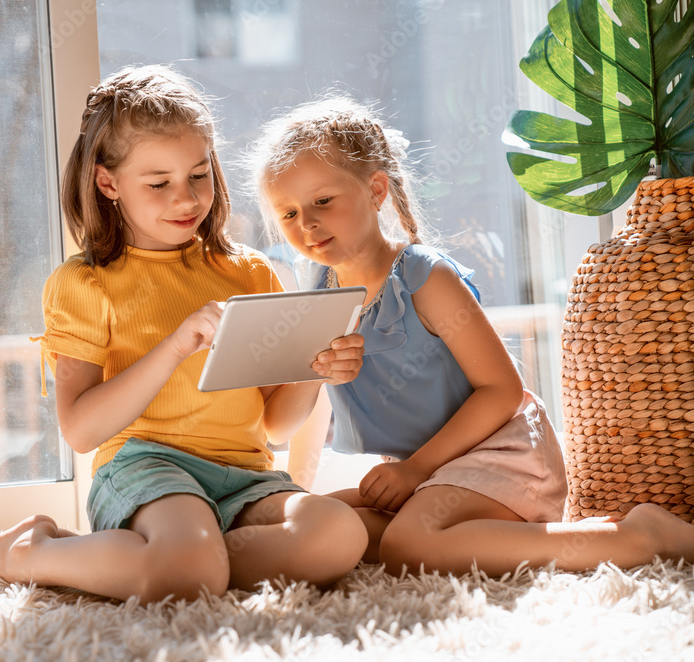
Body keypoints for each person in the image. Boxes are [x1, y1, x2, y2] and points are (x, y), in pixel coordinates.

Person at [0, 66, 368, 603]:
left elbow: (277, 424)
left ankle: (189, 560)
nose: (186, 199)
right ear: (108, 183)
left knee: (339, 534)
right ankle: (32, 550)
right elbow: (80, 431)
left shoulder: (251, 272)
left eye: (199, 175)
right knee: (188, 573)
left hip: (244, 475)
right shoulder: (85, 283)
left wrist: (314, 371)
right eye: (159, 183)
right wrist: (175, 346)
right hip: (146, 469)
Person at [247, 95, 694, 576]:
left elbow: (501, 391)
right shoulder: (319, 292)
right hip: (429, 472)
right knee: (325, 519)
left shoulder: (424, 277)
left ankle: (639, 537)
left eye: (322, 201)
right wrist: (300, 483)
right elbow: (303, 417)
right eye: (288, 213)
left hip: (498, 455)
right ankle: (484, 535)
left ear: (376, 190)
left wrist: (416, 471)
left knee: (409, 545)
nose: (307, 223)